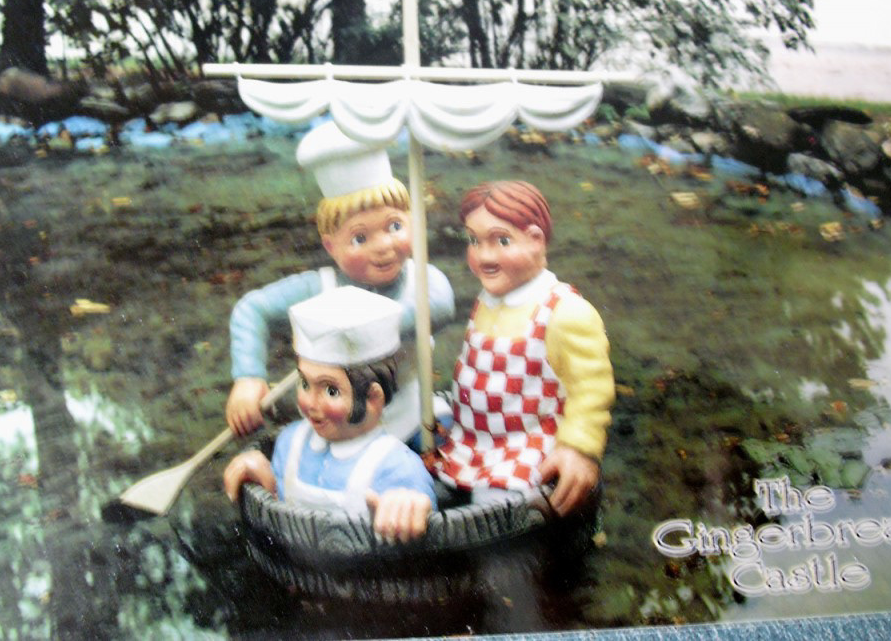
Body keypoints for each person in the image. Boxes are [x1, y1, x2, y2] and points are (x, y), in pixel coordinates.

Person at [225, 121, 455, 446]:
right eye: (360, 237)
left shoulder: (422, 280)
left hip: (411, 419)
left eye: (394, 226)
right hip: (337, 429)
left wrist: (358, 328)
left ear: (412, 223)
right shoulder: (320, 288)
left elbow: (439, 307)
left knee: (448, 448)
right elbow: (253, 309)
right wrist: (248, 376)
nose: (383, 246)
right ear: (331, 246)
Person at [431, 180, 615, 517]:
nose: (484, 256)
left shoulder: (563, 311)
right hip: (472, 438)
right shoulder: (488, 300)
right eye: (474, 240)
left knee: (496, 513)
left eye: (502, 240)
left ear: (535, 239)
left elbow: (591, 390)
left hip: (524, 444)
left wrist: (579, 448)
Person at [223, 286, 436, 543]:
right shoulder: (292, 443)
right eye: (304, 384)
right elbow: (281, 508)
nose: (310, 403)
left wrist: (408, 506)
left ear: (372, 398)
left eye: (331, 391)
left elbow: (420, 511)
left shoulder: (395, 464)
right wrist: (263, 476)